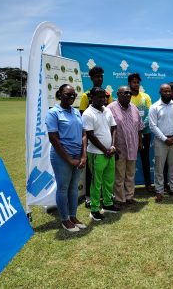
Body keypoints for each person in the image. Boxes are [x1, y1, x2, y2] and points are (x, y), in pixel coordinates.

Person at [46, 84, 87, 232]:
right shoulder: (53, 113)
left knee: (73, 187)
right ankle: (65, 219)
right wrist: (69, 159)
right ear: (59, 94)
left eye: (73, 95)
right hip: (61, 156)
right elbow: (54, 139)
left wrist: (83, 155)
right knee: (63, 188)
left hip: (78, 155)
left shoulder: (76, 112)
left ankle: (73, 216)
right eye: (67, 94)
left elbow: (83, 134)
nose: (71, 97)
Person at [82, 87, 119, 221]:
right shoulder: (87, 113)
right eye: (99, 97)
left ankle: (108, 204)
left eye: (104, 97)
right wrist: (105, 150)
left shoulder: (107, 110)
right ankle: (95, 209)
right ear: (92, 97)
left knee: (109, 181)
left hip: (110, 152)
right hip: (97, 154)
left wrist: (113, 146)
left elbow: (114, 128)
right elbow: (90, 135)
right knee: (96, 183)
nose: (103, 99)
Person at [79, 66, 112, 208]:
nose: (99, 79)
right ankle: (89, 197)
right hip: (91, 138)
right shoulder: (86, 95)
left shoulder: (108, 94)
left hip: (106, 137)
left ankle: (106, 197)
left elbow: (109, 114)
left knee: (106, 172)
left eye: (101, 76)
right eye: (97, 77)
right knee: (91, 172)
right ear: (91, 78)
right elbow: (82, 118)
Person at [149, 83, 173, 202]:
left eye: (169, 91)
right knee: (159, 168)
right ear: (160, 92)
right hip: (161, 142)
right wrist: (165, 139)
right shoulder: (155, 107)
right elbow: (152, 125)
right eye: (165, 91)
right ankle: (159, 191)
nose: (168, 93)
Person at [108, 86, 144, 205]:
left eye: (129, 93)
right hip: (119, 148)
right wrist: (112, 146)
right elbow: (107, 129)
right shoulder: (110, 108)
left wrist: (140, 142)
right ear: (118, 94)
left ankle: (129, 196)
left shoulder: (134, 108)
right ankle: (119, 199)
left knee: (130, 174)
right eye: (125, 93)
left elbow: (139, 127)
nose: (128, 95)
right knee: (119, 176)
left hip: (133, 146)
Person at [129, 73, 153, 193]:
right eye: (134, 82)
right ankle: (129, 187)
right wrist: (135, 128)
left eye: (138, 82)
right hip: (131, 134)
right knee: (131, 160)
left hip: (146, 132)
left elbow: (150, 114)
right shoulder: (127, 97)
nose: (136, 84)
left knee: (145, 158)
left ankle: (148, 184)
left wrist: (142, 126)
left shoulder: (146, 97)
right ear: (129, 84)